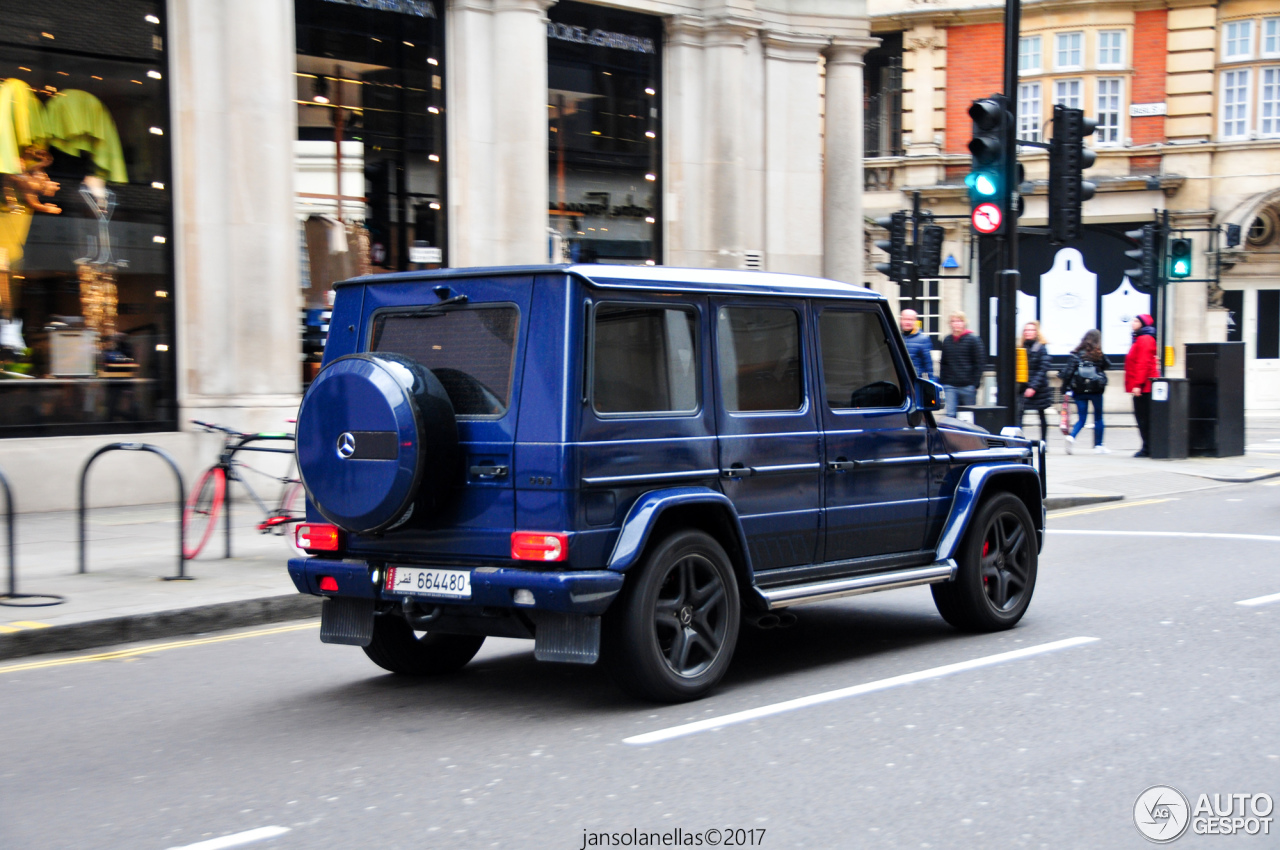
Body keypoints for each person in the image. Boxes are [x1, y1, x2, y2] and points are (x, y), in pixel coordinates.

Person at [1059, 328, 1111, 454]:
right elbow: (1108, 365)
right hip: (1096, 391)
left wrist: (1065, 388)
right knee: (1098, 417)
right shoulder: (1098, 354)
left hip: (1079, 391)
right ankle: (1099, 446)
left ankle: (1071, 437)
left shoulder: (1076, 354)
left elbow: (1068, 373)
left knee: (1082, 419)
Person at [1125, 313, 1161, 457]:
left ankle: (1148, 447)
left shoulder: (1145, 339)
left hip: (1144, 387)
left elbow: (1143, 363)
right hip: (1143, 385)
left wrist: (1138, 384)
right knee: (1143, 417)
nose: (1132, 323)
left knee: (1143, 417)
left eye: (1136, 321)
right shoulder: (1141, 338)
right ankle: (1148, 446)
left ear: (1143, 323)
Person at [940, 311, 985, 417]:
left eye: (959, 321)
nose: (956, 324)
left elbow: (979, 363)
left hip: (967, 385)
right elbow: (944, 363)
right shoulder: (947, 340)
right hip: (950, 385)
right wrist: (943, 381)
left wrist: (975, 384)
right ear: (950, 324)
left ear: (964, 323)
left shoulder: (974, 340)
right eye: (954, 321)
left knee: (967, 416)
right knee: (950, 414)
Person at [1017, 320, 1051, 443]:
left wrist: (1033, 387)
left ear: (1036, 332)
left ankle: (1043, 442)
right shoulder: (1021, 348)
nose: (1028, 332)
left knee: (1041, 415)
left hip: (1039, 388)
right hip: (1024, 387)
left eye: (1031, 330)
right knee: (1019, 414)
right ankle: (1019, 440)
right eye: (1026, 330)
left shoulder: (1041, 348)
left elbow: (1043, 369)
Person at [899, 308, 933, 379]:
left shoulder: (923, 339)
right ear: (901, 320)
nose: (908, 322)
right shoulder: (896, 337)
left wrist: (932, 383)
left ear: (915, 321)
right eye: (905, 319)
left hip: (915, 380)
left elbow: (928, 365)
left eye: (911, 319)